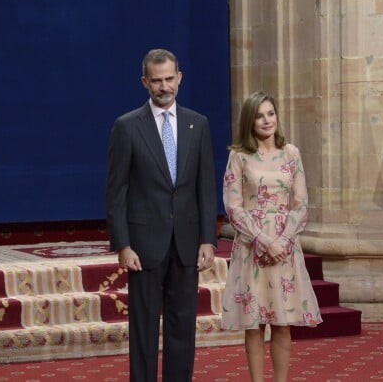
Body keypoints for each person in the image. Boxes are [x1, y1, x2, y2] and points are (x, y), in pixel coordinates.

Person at [105, 48, 218, 382]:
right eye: (156, 81)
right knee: (142, 328)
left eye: (170, 79)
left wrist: (208, 240)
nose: (164, 86)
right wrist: (123, 245)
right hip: (143, 246)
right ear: (145, 82)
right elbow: (116, 192)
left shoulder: (199, 124)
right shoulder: (126, 127)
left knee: (183, 327)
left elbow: (205, 188)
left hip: (186, 244)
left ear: (179, 78)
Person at [221, 90, 322, 382]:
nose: (267, 121)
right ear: (250, 122)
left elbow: (301, 203)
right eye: (260, 116)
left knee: (281, 322)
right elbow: (233, 205)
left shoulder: (291, 153)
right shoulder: (238, 156)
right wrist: (263, 241)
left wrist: (283, 241)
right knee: (254, 324)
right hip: (252, 246)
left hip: (285, 247)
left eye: (271, 114)